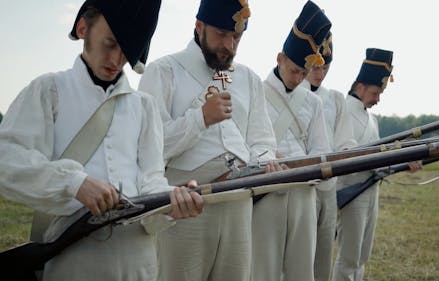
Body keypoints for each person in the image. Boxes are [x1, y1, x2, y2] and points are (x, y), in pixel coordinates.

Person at [0, 0, 203, 280]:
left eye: (127, 52)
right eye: (110, 43)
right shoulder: (48, 90)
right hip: (73, 259)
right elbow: (6, 160)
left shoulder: (145, 106)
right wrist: (74, 183)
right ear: (83, 26)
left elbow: (151, 181)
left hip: (137, 263)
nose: (116, 60)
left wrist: (172, 202)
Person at [138, 0, 277, 280]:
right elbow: (148, 149)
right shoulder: (163, 71)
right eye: (222, 34)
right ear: (199, 27)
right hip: (185, 201)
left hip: (239, 196)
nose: (230, 45)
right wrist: (200, 119)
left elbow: (263, 141)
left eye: (236, 36)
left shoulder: (248, 78)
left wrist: (265, 164)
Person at [251, 1, 332, 281]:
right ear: (280, 58)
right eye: (295, 69)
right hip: (265, 193)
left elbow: (323, 151)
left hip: (303, 190)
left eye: (304, 71)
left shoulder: (313, 102)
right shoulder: (255, 92)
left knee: (301, 272)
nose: (299, 78)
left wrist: (301, 165)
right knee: (264, 272)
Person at [332, 48, 421, 281]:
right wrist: (398, 155)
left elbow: (378, 158)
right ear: (359, 87)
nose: (378, 98)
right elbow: (351, 154)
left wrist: (403, 159)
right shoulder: (341, 109)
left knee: (362, 255)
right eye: (375, 92)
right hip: (350, 190)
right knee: (349, 256)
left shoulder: (371, 118)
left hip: (371, 189)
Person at [300, 31, 356, 281]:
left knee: (323, 256)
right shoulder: (291, 95)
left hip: (329, 186)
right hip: (300, 187)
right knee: (297, 258)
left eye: (326, 68)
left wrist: (345, 152)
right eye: (315, 67)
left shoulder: (335, 99)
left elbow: (346, 141)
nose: (320, 75)